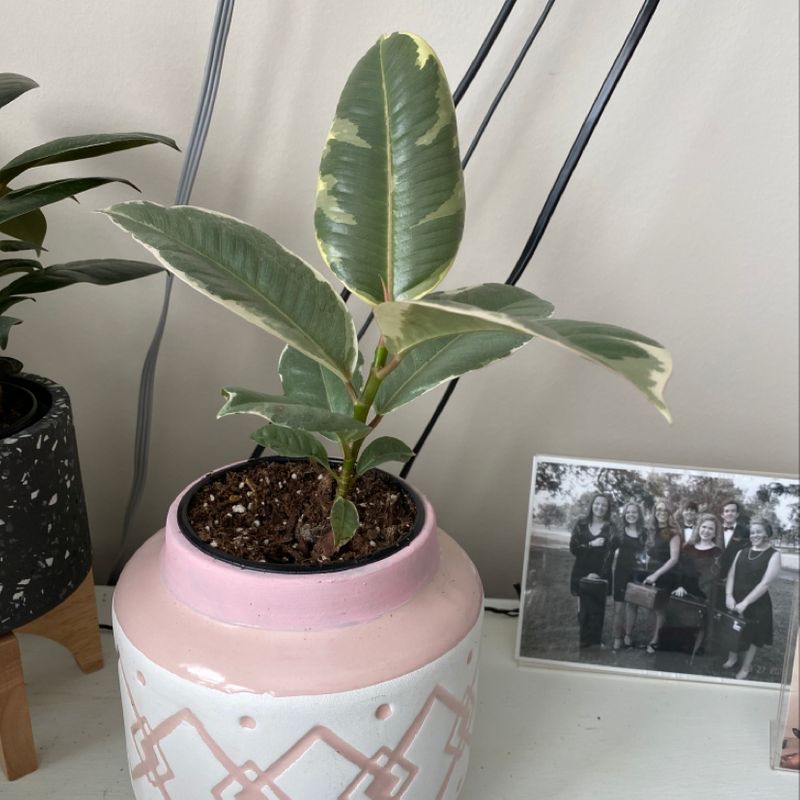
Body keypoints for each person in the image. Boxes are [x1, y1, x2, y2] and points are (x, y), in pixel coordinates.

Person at [723, 518, 782, 680]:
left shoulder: (774, 555)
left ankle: (746, 666)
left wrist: (746, 603)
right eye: (752, 532)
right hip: (735, 598)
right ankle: (732, 658)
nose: (754, 535)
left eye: (759, 531)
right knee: (732, 628)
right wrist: (729, 595)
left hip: (757, 602)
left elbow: (765, 583)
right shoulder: (742, 552)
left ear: (767, 534)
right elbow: (731, 575)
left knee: (753, 637)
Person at [671, 513, 722, 653]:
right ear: (698, 528)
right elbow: (681, 570)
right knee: (678, 620)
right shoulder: (688, 547)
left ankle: (693, 651)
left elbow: (713, 576)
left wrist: (702, 593)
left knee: (699, 623)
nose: (706, 531)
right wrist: (680, 586)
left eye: (710, 529)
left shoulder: (717, 552)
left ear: (715, 533)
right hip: (684, 591)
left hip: (704, 593)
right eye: (703, 527)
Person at [569, 493, 614, 648]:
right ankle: (584, 639)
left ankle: (595, 640)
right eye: (597, 503)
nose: (599, 507)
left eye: (604, 505)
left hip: (600, 572)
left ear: (607, 509)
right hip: (580, 570)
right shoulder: (581, 524)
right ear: (592, 505)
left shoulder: (610, 527)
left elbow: (610, 555)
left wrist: (599, 574)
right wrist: (591, 544)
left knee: (597, 608)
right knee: (582, 607)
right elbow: (573, 548)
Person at [641, 500, 682, 654]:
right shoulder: (652, 530)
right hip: (651, 572)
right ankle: (656, 635)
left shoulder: (673, 533)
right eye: (658, 509)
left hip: (665, 574)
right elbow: (648, 552)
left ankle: (656, 641)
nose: (661, 512)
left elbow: (674, 559)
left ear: (670, 513)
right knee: (653, 607)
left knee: (660, 610)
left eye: (665, 510)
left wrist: (656, 575)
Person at [609, 502, 647, 650]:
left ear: (639, 515)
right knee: (619, 607)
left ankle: (628, 635)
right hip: (621, 572)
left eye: (634, 512)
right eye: (628, 512)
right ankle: (617, 637)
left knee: (633, 605)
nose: (631, 515)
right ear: (624, 514)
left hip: (637, 573)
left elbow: (647, 553)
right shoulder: (619, 532)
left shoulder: (644, 533)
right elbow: (609, 552)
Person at [718, 499, 750, 580]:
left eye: (733, 511)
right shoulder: (715, 530)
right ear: (722, 514)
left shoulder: (745, 531)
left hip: (736, 576)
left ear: (737, 514)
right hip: (715, 575)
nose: (730, 513)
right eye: (727, 511)